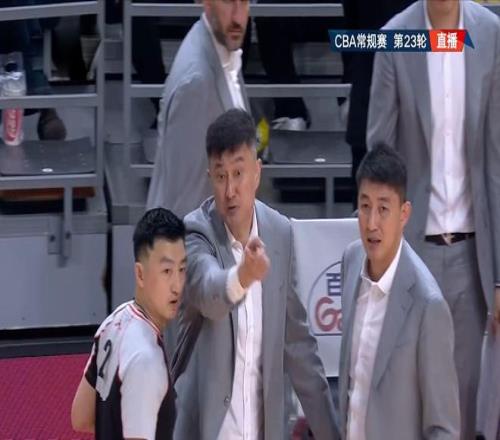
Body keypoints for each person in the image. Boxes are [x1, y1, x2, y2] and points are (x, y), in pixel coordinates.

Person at [367, 1, 500, 438]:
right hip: (412, 254)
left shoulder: (491, 35)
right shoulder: (394, 39)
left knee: (461, 409)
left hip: (471, 257)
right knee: (406, 405)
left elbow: (496, 164)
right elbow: (379, 158)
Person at [172, 109, 338, 440]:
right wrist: (243, 277)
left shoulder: (280, 233)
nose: (230, 189)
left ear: (257, 172)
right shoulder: (195, 232)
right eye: (221, 176)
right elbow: (208, 291)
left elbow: (299, 348)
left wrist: (331, 435)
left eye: (238, 173)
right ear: (209, 177)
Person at [338, 144, 460, 440]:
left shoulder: (428, 305)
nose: (372, 223)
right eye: (365, 206)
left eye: (383, 209)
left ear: (404, 214)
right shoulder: (351, 261)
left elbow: (444, 429)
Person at [71, 208, 186, 440]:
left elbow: (81, 417)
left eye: (181, 269)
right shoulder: (147, 360)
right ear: (140, 274)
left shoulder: (114, 321)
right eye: (166, 271)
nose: (177, 285)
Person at [147, 0, 250, 218]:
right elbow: (186, 205)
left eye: (244, 2)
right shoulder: (196, 84)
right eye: (228, 2)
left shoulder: (222, 47)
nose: (237, 17)